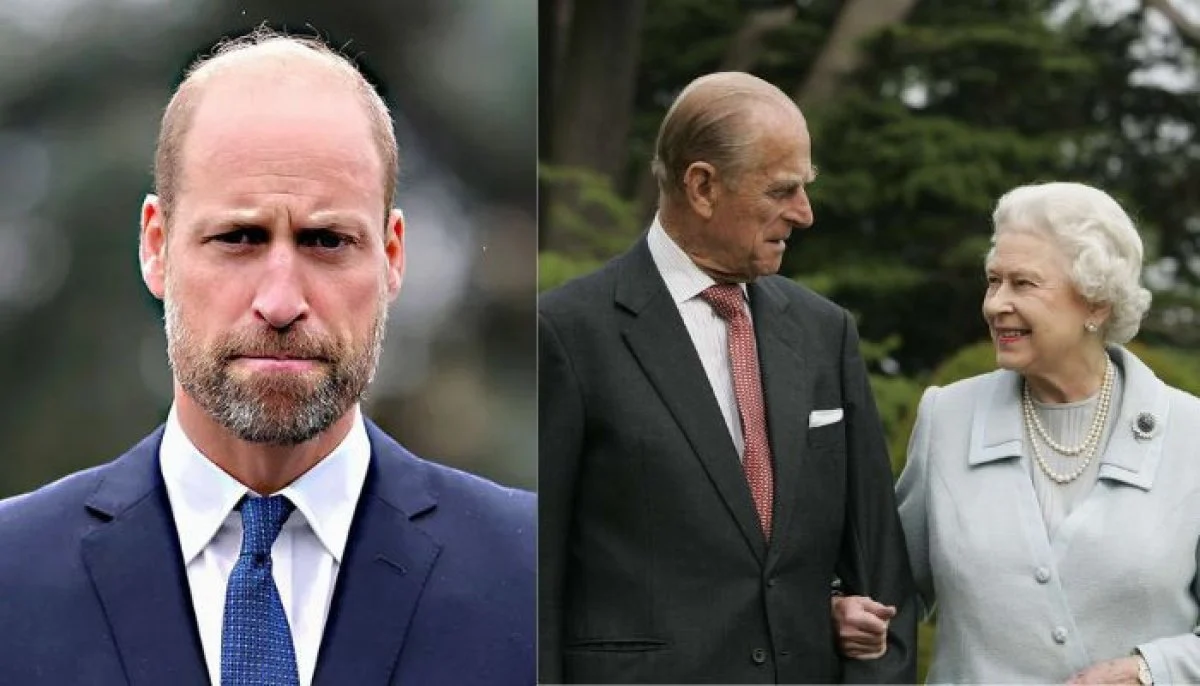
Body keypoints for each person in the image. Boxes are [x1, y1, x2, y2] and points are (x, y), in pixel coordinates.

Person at [0, 29, 534, 686]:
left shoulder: (536, 576)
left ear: (392, 256)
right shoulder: (10, 576)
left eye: (327, 241)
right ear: (155, 246)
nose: (280, 302)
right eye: (238, 238)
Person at [538, 71, 916, 684]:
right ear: (703, 186)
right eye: (782, 191)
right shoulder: (564, 334)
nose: (805, 214)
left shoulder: (826, 334)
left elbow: (882, 577)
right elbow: (537, 584)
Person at [834, 182, 1200, 683]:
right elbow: (889, 586)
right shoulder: (948, 417)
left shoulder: (1190, 434)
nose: (995, 304)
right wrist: (847, 608)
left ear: (1096, 303)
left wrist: (1149, 670)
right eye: (993, 281)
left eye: (1024, 284)